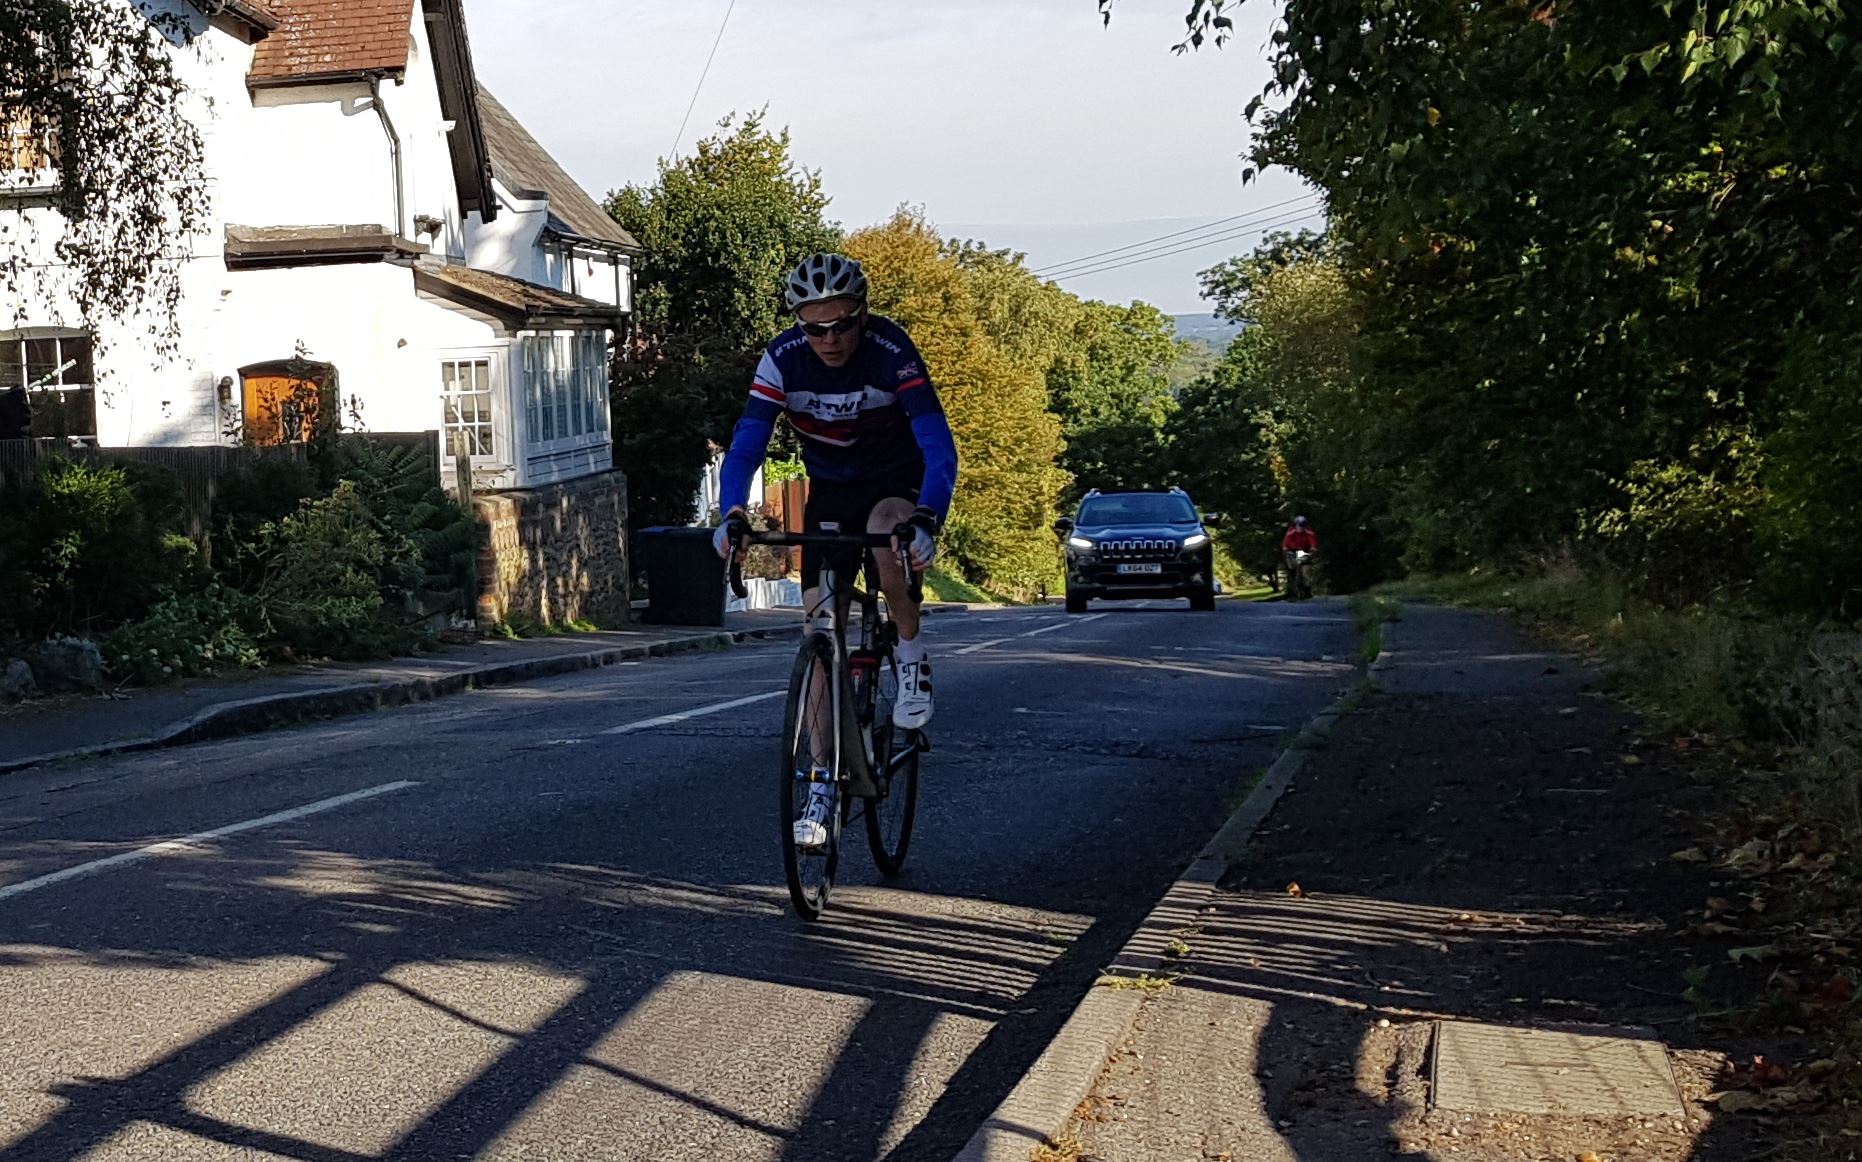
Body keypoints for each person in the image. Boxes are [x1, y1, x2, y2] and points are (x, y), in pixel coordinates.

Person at [712, 253, 959, 741]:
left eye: (841, 325)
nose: (829, 339)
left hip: (894, 481)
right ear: (798, 324)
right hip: (831, 489)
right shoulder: (782, 359)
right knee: (820, 627)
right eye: (814, 329)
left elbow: (938, 445)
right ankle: (820, 775)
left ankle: (911, 656)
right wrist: (733, 513)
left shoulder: (891, 350)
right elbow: (746, 445)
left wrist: (928, 518)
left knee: (888, 534)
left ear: (862, 315)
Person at [1281, 515, 1318, 597]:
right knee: (1291, 568)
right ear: (1295, 525)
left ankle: (1307, 590)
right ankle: (1292, 588)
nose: (1300, 528)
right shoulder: (1291, 531)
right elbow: (1285, 543)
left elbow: (1313, 543)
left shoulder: (1308, 531)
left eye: (1302, 526)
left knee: (1306, 571)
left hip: (1304, 551)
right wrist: (1286, 550)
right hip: (1292, 551)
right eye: (1299, 525)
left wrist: (1312, 550)